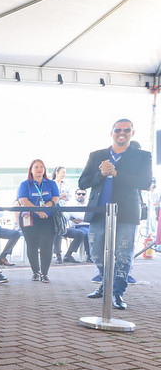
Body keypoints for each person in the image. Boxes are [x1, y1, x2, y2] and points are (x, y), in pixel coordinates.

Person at [80, 118, 152, 310]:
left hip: (126, 213)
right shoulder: (97, 155)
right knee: (96, 253)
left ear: (132, 133)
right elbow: (83, 182)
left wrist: (116, 173)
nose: (122, 133)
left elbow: (145, 183)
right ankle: (106, 284)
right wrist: (101, 174)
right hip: (98, 212)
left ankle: (117, 292)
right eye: (118, 130)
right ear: (111, 132)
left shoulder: (143, 156)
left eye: (126, 130)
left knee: (123, 254)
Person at [17, 159, 59, 283]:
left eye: (41, 167)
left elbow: (55, 198)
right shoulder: (25, 184)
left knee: (47, 246)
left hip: (48, 219)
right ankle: (36, 272)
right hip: (29, 219)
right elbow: (23, 200)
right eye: (36, 167)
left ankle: (44, 273)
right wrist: (38, 211)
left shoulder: (51, 183)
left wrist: (46, 208)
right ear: (31, 170)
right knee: (32, 245)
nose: (39, 169)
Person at [51, 166, 70, 263]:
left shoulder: (66, 184)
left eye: (65, 172)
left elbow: (68, 197)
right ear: (57, 172)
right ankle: (55, 253)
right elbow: (50, 198)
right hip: (52, 212)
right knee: (54, 231)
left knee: (59, 231)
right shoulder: (51, 183)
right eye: (62, 172)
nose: (64, 175)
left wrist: (58, 197)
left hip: (63, 212)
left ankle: (59, 255)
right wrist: (59, 196)